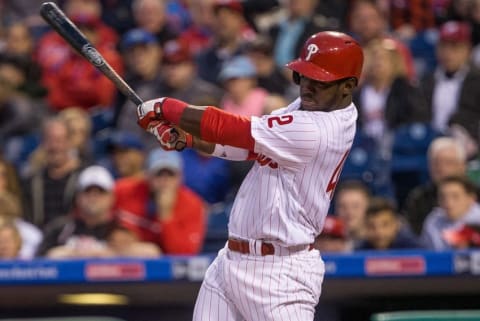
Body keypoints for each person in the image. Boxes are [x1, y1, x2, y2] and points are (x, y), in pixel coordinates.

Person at [136, 31, 363, 320]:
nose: (307, 86)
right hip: (230, 263)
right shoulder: (314, 106)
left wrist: (166, 107)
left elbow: (235, 129)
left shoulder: (319, 130)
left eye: (320, 81)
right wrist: (189, 138)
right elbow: (250, 148)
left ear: (348, 86)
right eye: (303, 76)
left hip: (281, 275)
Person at [114, 148, 206, 255]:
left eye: (170, 174)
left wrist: (165, 215)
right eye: (159, 174)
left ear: (180, 177)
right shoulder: (127, 191)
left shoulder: (192, 204)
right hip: (127, 257)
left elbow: (184, 254)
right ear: (147, 176)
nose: (164, 180)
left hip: (166, 267)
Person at [421, 175, 480, 250]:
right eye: (442, 197)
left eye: (455, 196)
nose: (448, 203)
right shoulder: (433, 220)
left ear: (471, 198)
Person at [356, 197, 420, 250]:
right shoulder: (360, 251)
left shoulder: (414, 249)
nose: (379, 232)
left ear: (396, 225)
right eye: (372, 226)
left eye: (385, 225)